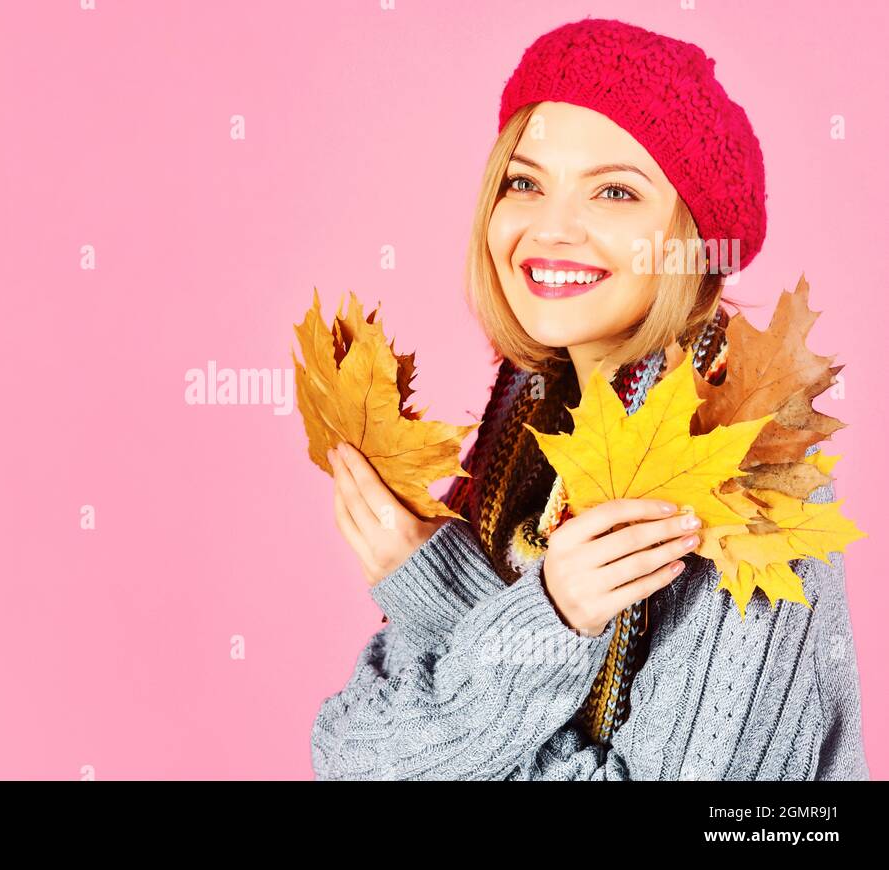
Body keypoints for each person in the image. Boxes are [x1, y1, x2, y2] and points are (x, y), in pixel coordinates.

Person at [309, 18, 869, 780]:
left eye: (613, 192)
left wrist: (450, 597)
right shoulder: (525, 430)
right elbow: (349, 751)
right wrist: (538, 612)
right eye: (525, 182)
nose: (552, 227)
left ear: (690, 239)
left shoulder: (742, 465)